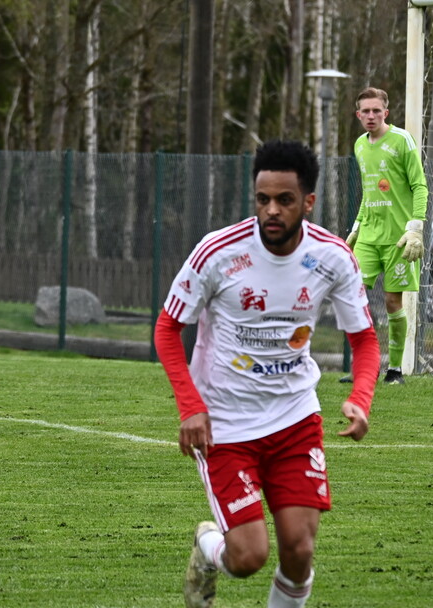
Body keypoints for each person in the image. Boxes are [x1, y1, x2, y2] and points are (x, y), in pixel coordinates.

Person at [154, 139, 380, 608]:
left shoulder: (333, 257)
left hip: (295, 418)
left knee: (299, 550)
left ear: (308, 202)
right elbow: (168, 328)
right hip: (225, 425)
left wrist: (361, 398)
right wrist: (191, 407)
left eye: (284, 200)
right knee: (248, 556)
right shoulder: (218, 252)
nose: (271, 210)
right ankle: (208, 548)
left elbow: (364, 340)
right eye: (263, 199)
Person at [343, 86, 428, 385]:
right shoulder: (359, 145)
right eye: (365, 111)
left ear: (386, 113)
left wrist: (415, 227)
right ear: (358, 115)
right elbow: (369, 193)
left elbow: (419, 185)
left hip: (398, 238)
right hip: (368, 235)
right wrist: (356, 228)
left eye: (376, 111)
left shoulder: (402, 139)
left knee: (393, 301)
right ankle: (365, 365)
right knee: (352, 295)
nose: (371, 116)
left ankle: (394, 370)